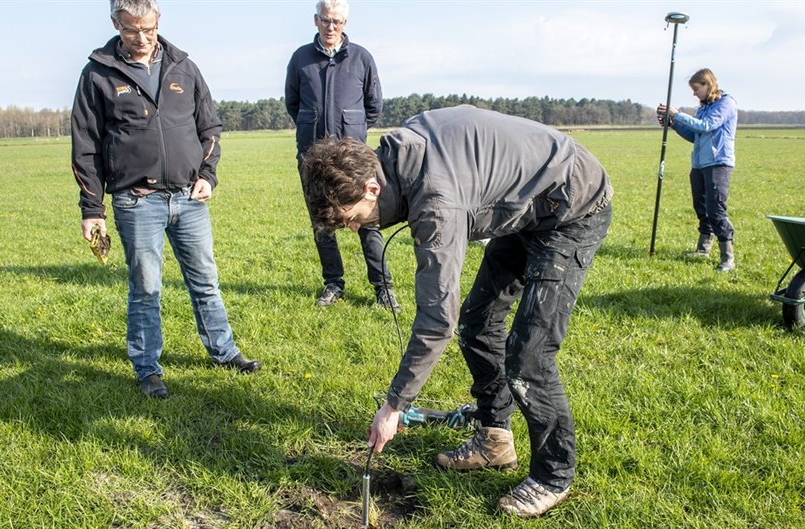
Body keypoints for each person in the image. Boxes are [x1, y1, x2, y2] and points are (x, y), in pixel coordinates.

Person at [301, 106, 614, 518]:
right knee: (477, 324)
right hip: (525, 207)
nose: (357, 229)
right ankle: (494, 438)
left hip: (572, 205)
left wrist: (394, 406)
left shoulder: (436, 202)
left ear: (371, 189)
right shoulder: (399, 154)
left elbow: (436, 321)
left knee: (529, 358)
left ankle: (554, 475)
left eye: (352, 219)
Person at [71, 0, 260, 399]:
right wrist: (92, 209)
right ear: (114, 24)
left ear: (159, 23)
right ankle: (147, 369)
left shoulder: (184, 67)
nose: (141, 39)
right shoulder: (97, 74)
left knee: (206, 280)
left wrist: (207, 175)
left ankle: (224, 352)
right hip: (136, 201)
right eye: (130, 30)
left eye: (149, 30)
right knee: (146, 287)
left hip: (189, 198)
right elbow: (85, 145)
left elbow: (209, 126)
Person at [285, 0, 401, 312]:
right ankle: (333, 283)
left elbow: (373, 106)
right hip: (314, 161)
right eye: (325, 20)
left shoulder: (362, 58)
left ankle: (383, 288)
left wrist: (354, 136)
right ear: (316, 20)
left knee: (369, 222)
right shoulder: (300, 59)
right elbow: (293, 104)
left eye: (336, 21)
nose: (330, 27)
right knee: (322, 222)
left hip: (354, 163)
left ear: (345, 23)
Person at [657, 68, 738, 272]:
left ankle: (727, 258)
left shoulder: (726, 103)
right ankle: (703, 249)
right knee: (700, 207)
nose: (694, 93)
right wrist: (673, 124)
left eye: (696, 89)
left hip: (718, 163)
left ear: (707, 84)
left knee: (716, 209)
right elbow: (696, 136)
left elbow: (706, 126)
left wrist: (679, 114)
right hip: (699, 165)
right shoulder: (703, 107)